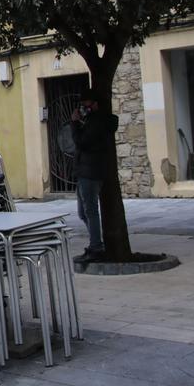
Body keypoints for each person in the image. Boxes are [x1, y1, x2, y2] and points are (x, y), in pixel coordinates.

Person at [70, 88, 119, 261]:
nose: (83, 106)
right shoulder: (92, 121)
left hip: (90, 173)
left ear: (95, 104)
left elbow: (82, 142)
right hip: (85, 171)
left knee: (90, 211)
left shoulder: (97, 122)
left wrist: (75, 123)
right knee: (83, 213)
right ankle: (96, 242)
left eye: (86, 103)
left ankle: (96, 247)